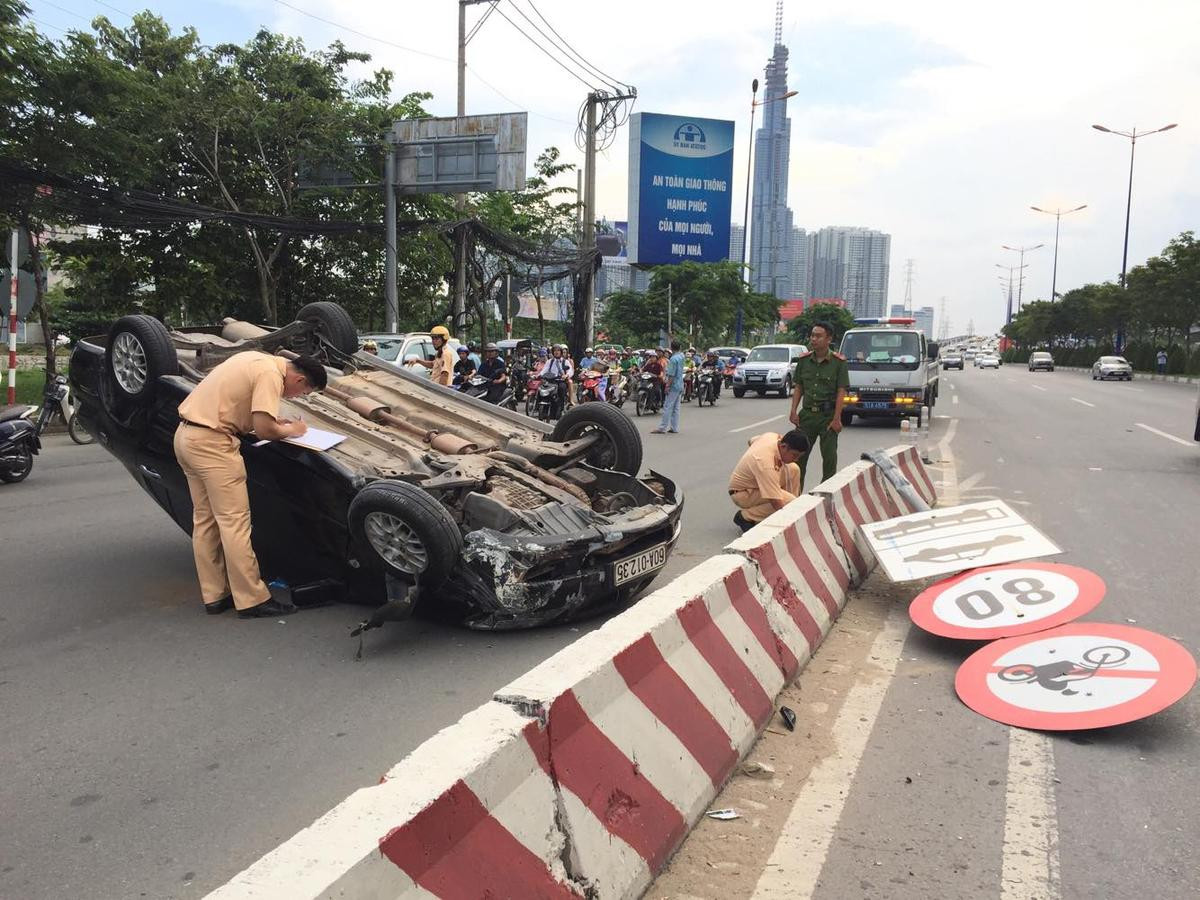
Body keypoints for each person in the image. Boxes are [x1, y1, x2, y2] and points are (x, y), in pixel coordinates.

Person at [173, 351, 326, 618]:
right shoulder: (271, 375)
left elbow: (240, 407)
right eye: (301, 394)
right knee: (234, 523)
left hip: (187, 436)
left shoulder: (253, 359)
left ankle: (215, 595)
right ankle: (252, 599)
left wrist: (277, 422)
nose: (292, 397)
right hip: (213, 445)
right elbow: (266, 431)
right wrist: (294, 430)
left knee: (205, 520)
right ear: (299, 379)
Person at [789, 322, 849, 484]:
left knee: (829, 460)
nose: (813, 339)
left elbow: (841, 392)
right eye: (812, 335)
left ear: (828, 339)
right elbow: (799, 387)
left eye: (818, 336)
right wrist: (794, 410)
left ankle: (825, 498)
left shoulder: (839, 362)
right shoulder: (804, 360)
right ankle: (795, 498)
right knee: (798, 458)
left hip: (828, 417)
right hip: (807, 416)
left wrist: (837, 418)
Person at [728, 430, 810, 532]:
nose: (797, 459)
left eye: (799, 456)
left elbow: (751, 441)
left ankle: (790, 511)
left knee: (794, 469)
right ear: (783, 446)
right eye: (794, 455)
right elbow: (775, 501)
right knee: (791, 503)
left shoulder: (773, 437)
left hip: (755, 483)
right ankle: (746, 516)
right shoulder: (766, 464)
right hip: (742, 493)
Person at [652, 340, 685, 434]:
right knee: (676, 407)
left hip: (674, 385)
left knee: (667, 406)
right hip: (680, 384)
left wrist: (667, 386)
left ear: (671, 347)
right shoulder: (681, 356)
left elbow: (671, 375)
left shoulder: (673, 359)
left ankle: (662, 427)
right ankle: (674, 427)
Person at [539, 343, 574, 411]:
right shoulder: (549, 361)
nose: (556, 352)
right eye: (555, 350)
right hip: (550, 381)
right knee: (541, 389)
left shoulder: (565, 361)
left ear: (561, 352)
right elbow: (544, 370)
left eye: (558, 350)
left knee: (562, 388)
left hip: (560, 381)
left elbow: (570, 371)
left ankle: (561, 406)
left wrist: (566, 375)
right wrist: (538, 375)